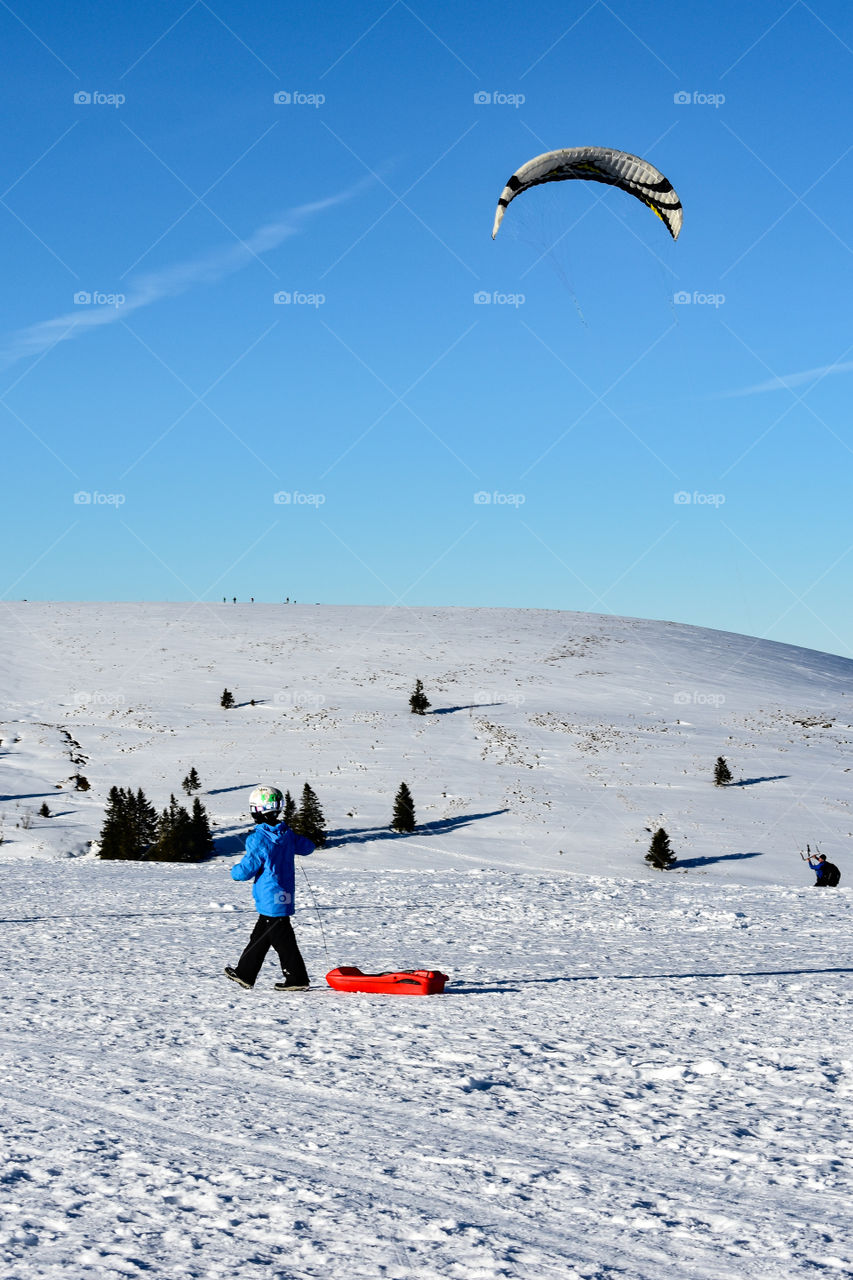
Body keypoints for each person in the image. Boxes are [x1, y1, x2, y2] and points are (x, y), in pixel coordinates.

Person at [225, 785, 315, 990]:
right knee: (261, 935)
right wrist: (290, 839)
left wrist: (235, 871)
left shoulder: (258, 838)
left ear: (257, 812)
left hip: (269, 895)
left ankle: (297, 979)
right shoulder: (286, 834)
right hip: (284, 893)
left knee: (283, 939)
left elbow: (246, 870)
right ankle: (245, 973)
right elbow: (308, 847)